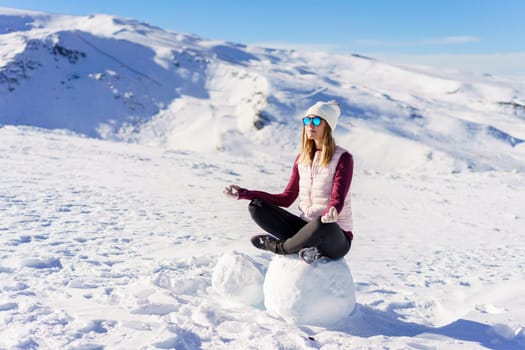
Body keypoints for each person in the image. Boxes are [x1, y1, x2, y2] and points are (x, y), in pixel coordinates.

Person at [224, 101, 354, 263]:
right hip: (305, 228)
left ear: (327, 126)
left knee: (323, 224)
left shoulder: (343, 158)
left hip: (335, 236)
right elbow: (285, 198)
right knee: (257, 206)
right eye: (307, 121)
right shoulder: (302, 159)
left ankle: (280, 247)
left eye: (316, 121)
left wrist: (332, 210)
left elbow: (338, 198)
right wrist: (244, 193)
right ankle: (303, 247)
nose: (310, 125)